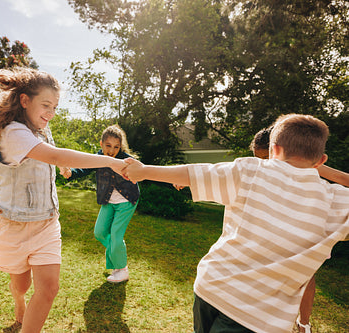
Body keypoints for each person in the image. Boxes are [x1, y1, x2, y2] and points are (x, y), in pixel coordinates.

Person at [123, 114, 349, 333]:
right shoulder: (335, 201)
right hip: (259, 318)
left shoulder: (250, 171)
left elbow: (194, 173)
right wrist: (314, 166)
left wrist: (142, 171)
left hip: (211, 288)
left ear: (273, 150)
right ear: (321, 160)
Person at [0, 67, 128, 333]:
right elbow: (57, 155)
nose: (50, 113)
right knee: (22, 285)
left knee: (49, 288)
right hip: (13, 226)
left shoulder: (41, 127)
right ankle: (18, 301)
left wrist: (60, 168)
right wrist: (111, 162)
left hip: (47, 223)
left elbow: (51, 156)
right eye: (46, 105)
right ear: (25, 100)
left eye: (55, 107)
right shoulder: (12, 132)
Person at [250, 125, 349, 333]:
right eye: (260, 159)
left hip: (303, 220)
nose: (265, 164)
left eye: (266, 158)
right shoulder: (260, 171)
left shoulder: (303, 163)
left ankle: (304, 323)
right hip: (273, 224)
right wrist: (188, 182)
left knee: (305, 274)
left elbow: (345, 179)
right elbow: (220, 173)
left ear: (277, 150)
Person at [61, 125, 140, 283]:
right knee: (100, 232)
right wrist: (70, 173)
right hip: (108, 200)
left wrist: (173, 181)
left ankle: (122, 269)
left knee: (117, 236)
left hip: (127, 200)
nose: (112, 151)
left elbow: (146, 172)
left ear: (121, 147)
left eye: (116, 147)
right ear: (101, 143)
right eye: (108, 146)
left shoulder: (125, 159)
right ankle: (116, 254)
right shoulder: (98, 158)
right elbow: (84, 169)